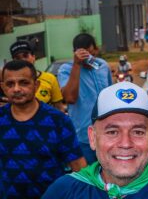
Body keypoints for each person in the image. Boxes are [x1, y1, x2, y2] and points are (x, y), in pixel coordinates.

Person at [0, 60, 86, 198]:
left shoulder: (58, 121)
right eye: (10, 84)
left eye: (24, 82)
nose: (16, 89)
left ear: (36, 85)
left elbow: (78, 165)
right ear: (3, 88)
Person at [58, 33, 113, 164]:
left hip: (107, 133)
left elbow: (111, 95)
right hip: (83, 136)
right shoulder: (66, 70)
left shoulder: (103, 66)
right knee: (88, 178)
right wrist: (77, 65)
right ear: (74, 53)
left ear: (96, 50)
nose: (88, 58)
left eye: (90, 53)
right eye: (84, 54)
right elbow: (70, 98)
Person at [8, 41, 64, 111]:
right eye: (17, 58)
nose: (22, 60)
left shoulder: (50, 78)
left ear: (33, 57)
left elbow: (59, 107)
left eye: (25, 56)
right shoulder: (9, 83)